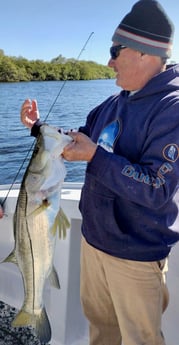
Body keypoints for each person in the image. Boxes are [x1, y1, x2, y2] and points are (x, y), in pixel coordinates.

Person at [20, 0, 179, 344]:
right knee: (101, 334)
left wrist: (96, 157)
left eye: (114, 50)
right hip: (94, 243)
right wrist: (38, 128)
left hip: (136, 257)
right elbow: (76, 139)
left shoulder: (172, 109)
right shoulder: (112, 103)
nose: (109, 61)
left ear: (143, 52)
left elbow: (156, 188)